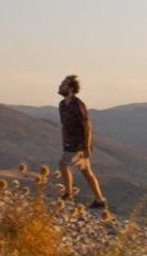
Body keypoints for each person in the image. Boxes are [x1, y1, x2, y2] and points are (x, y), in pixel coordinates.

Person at [57, 74, 107, 209]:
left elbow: (87, 126)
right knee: (86, 172)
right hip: (69, 143)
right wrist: (63, 141)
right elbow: (64, 125)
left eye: (64, 84)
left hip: (78, 144)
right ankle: (100, 199)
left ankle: (68, 193)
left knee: (63, 165)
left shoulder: (78, 104)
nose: (60, 86)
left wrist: (87, 146)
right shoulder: (62, 105)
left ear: (71, 88)